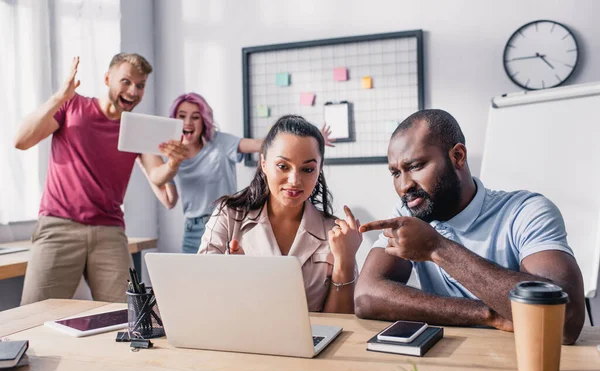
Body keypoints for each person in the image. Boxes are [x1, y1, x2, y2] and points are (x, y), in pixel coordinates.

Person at [354, 109, 585, 344]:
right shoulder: (410, 211)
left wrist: (437, 249)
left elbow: (566, 322)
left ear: (458, 156)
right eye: (395, 173)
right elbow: (366, 296)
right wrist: (488, 314)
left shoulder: (526, 211)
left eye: (415, 166)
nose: (404, 186)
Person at [15, 54, 188, 305]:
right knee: (32, 317)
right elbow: (21, 141)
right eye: (126, 81)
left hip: (109, 231)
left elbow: (156, 175)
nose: (133, 91)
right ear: (108, 79)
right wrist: (59, 97)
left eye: (140, 85)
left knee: (126, 317)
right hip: (58, 227)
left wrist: (173, 162)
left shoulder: (137, 126)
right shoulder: (72, 106)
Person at [198, 115, 361, 313]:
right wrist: (232, 278)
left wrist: (345, 261)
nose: (294, 180)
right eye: (283, 166)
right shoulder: (228, 216)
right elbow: (203, 298)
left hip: (311, 342)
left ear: (319, 170)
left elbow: (340, 323)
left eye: (307, 169)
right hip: (241, 339)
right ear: (264, 164)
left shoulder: (335, 232)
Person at [148, 92, 333, 254]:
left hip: (227, 222)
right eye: (182, 116)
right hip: (193, 227)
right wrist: (171, 163)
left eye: (195, 117)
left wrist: (309, 142)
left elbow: (261, 145)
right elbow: (162, 188)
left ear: (203, 120)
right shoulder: (170, 151)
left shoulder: (220, 143)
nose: (188, 122)